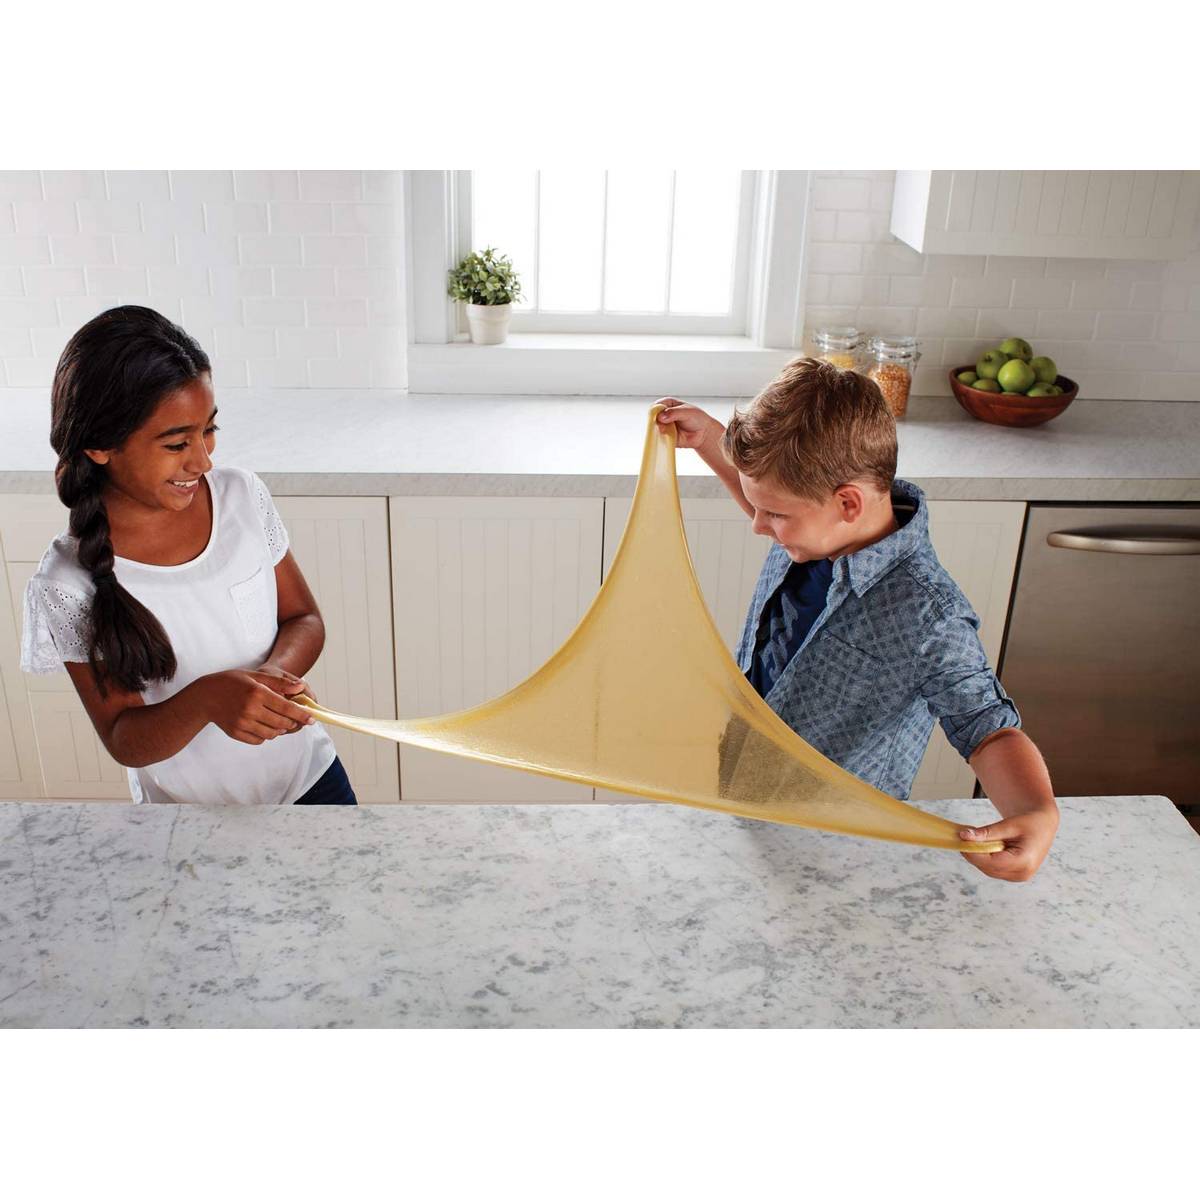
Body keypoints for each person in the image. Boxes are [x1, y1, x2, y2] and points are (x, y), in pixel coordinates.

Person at [657, 357, 1058, 881]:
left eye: (773, 514)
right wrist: (713, 441)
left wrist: (1036, 812)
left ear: (847, 503)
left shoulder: (927, 614)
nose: (758, 526)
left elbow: (987, 728)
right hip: (746, 793)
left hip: (836, 846)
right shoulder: (817, 528)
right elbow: (779, 499)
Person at [20, 305, 356, 806]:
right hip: (184, 820)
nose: (202, 460)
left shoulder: (241, 497)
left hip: (311, 781)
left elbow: (303, 618)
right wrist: (208, 700)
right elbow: (123, 738)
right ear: (100, 445)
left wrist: (269, 678)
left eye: (208, 430)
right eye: (177, 443)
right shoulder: (67, 584)